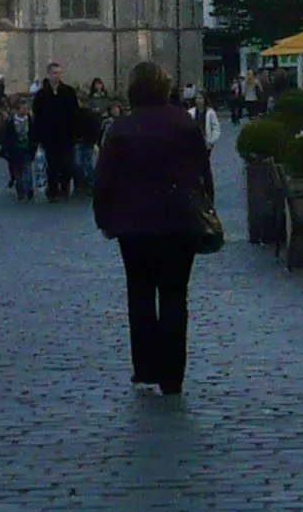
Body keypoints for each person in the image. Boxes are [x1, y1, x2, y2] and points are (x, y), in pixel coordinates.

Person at [91, 63, 217, 397]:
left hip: (135, 225)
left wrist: (104, 217)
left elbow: (104, 178)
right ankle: (173, 375)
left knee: (141, 294)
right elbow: (203, 173)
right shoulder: (184, 123)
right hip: (178, 221)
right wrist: (206, 209)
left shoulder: (122, 127)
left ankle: (146, 366)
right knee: (175, 295)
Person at [34, 65, 84, 201]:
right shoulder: (41, 95)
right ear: (49, 74)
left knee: (67, 163)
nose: (57, 76)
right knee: (52, 164)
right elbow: (37, 117)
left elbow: (75, 114)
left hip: (66, 134)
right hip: (49, 136)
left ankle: (65, 186)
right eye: (54, 73)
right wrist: (38, 137)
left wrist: (76, 132)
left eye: (59, 73)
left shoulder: (68, 92)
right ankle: (53, 190)